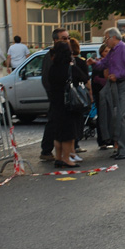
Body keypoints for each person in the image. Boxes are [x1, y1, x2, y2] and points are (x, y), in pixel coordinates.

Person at [87, 27, 125, 159]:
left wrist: (118, 75)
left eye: (106, 38)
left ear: (113, 37)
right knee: (118, 116)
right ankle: (123, 147)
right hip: (118, 84)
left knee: (121, 116)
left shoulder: (124, 48)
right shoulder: (113, 51)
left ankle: (124, 149)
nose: (105, 41)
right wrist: (94, 63)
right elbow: (104, 63)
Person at [47, 41, 88, 168]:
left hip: (56, 103)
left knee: (58, 134)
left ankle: (58, 157)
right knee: (68, 134)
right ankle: (66, 158)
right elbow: (84, 78)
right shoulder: (70, 68)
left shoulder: (52, 68)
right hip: (69, 105)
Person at [40, 28, 71, 161]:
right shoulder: (51, 56)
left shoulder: (65, 54)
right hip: (56, 95)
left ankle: (67, 150)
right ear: (55, 40)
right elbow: (47, 78)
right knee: (53, 121)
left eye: (68, 38)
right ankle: (47, 150)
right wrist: (53, 94)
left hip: (62, 95)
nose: (67, 41)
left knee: (60, 122)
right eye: (64, 38)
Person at [69, 38, 92, 156]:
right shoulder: (82, 62)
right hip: (78, 92)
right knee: (79, 118)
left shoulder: (66, 62)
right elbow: (86, 80)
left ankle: (71, 145)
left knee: (70, 119)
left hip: (68, 93)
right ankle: (76, 143)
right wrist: (90, 95)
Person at [92, 44, 114, 150]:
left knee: (111, 117)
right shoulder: (99, 64)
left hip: (111, 94)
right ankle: (102, 140)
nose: (107, 53)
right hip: (100, 94)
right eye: (105, 51)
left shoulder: (112, 63)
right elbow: (95, 80)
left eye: (109, 50)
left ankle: (112, 139)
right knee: (102, 117)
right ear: (101, 52)